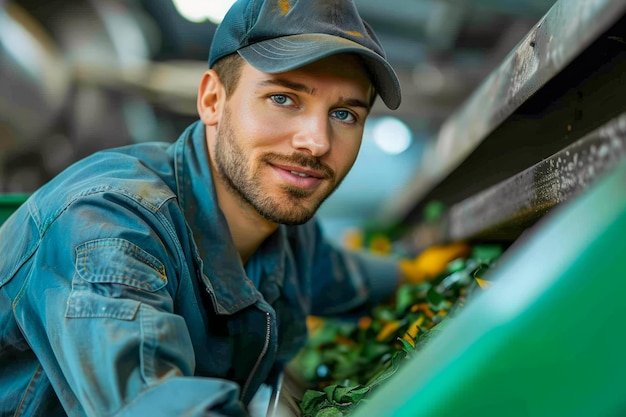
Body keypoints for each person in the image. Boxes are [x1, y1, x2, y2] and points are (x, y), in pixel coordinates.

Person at [0, 0, 430, 415]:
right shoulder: (110, 233)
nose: (316, 142)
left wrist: (420, 269)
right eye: (283, 99)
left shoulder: (285, 231)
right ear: (211, 101)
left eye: (344, 114)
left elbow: (346, 279)